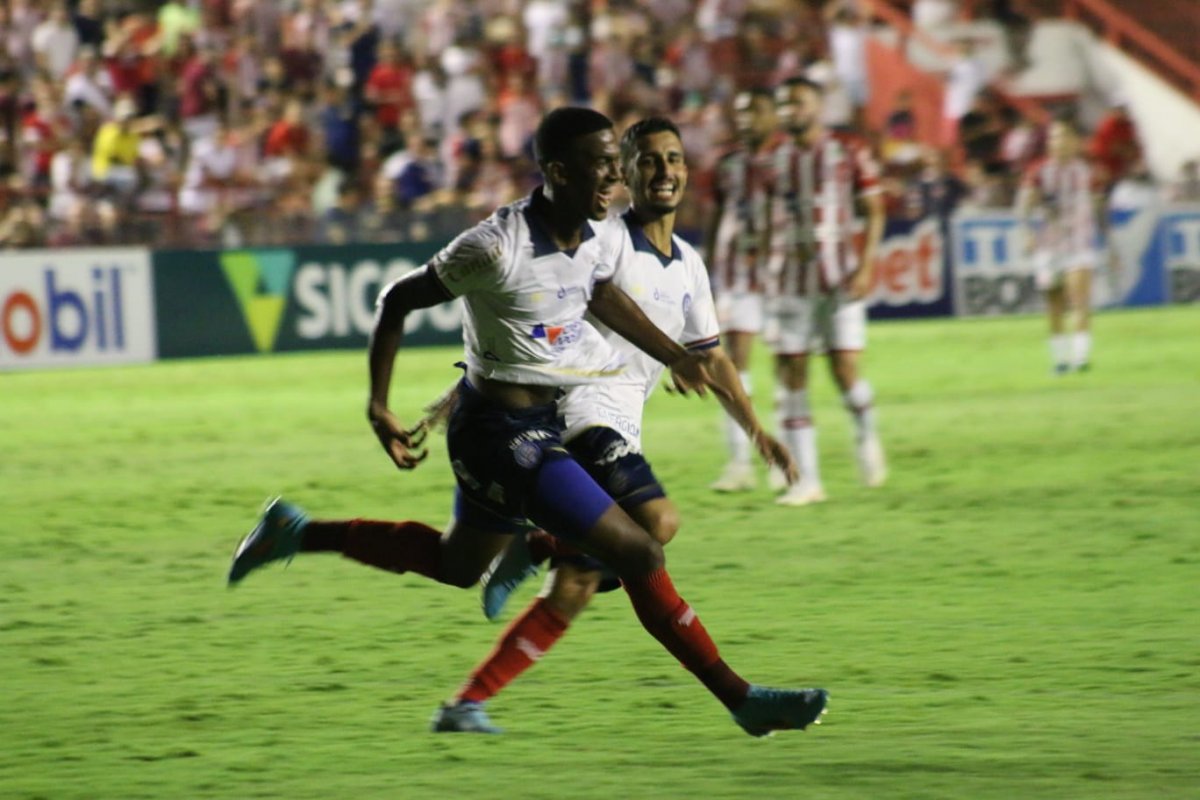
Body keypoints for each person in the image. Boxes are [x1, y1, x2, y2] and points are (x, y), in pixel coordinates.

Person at [227, 107, 828, 737]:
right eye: (602, 164)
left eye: (614, 163)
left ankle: (295, 533)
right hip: (501, 435)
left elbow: (602, 294)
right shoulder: (496, 245)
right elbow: (398, 299)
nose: (615, 176)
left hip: (528, 421)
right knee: (640, 547)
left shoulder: (591, 238)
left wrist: (675, 355)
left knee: (457, 565)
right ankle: (740, 699)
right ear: (558, 172)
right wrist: (379, 404)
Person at [429, 116, 798, 733]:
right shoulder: (600, 238)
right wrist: (470, 384)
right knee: (659, 523)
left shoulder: (689, 265)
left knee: (575, 585)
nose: (663, 171)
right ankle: (537, 544)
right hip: (577, 413)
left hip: (623, 424)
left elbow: (711, 356)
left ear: (687, 170)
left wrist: (756, 430)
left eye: (673, 159)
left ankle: (468, 702)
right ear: (623, 171)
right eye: (648, 160)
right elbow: (531, 306)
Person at [765, 76, 887, 506]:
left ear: (818, 106)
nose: (789, 111)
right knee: (792, 377)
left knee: (845, 373)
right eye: (784, 104)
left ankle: (866, 431)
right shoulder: (773, 158)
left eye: (797, 102)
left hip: (839, 279)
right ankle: (807, 482)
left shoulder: (848, 150)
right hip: (790, 283)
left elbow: (874, 209)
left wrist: (866, 266)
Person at [706, 89, 779, 492]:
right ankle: (740, 463)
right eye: (742, 112)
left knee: (789, 366)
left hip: (783, 276)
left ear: (773, 115)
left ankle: (788, 461)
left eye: (756, 110)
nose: (747, 118)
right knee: (733, 365)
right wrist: (706, 266)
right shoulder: (728, 164)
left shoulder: (788, 160)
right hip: (737, 276)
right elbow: (718, 214)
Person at [1016, 117, 1102, 374]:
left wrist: (1107, 239)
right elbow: (1023, 207)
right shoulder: (1039, 171)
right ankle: (1060, 360)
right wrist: (1027, 233)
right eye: (1054, 136)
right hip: (1049, 246)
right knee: (1054, 305)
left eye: (1064, 135)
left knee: (1079, 299)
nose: (1058, 141)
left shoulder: (1088, 172)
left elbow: (1099, 205)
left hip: (1080, 243)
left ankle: (1081, 358)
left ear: (1076, 141)